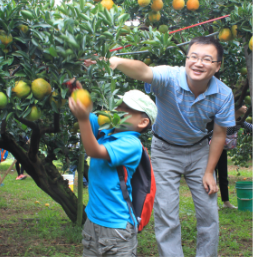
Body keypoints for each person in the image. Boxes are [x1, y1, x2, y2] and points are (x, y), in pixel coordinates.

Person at [91, 36, 236, 257]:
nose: (199, 63)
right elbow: (143, 71)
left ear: (217, 67)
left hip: (199, 152)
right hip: (165, 151)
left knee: (209, 214)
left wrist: (209, 172)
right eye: (194, 57)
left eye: (207, 59)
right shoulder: (169, 77)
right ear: (186, 59)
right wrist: (116, 61)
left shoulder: (223, 94)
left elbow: (219, 135)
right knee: (166, 213)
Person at [68, 81, 157, 257]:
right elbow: (83, 112)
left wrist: (84, 117)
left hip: (117, 230)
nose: (116, 111)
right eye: (118, 106)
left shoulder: (131, 144)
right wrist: (78, 93)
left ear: (142, 122)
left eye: (125, 110)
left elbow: (93, 150)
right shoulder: (106, 131)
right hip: (92, 224)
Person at [215, 105, 253, 209]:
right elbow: (225, 131)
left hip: (222, 148)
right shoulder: (225, 117)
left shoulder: (240, 119)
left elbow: (249, 126)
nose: (245, 108)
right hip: (211, 147)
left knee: (223, 175)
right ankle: (213, 203)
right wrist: (237, 113)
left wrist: (238, 115)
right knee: (213, 174)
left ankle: (226, 202)